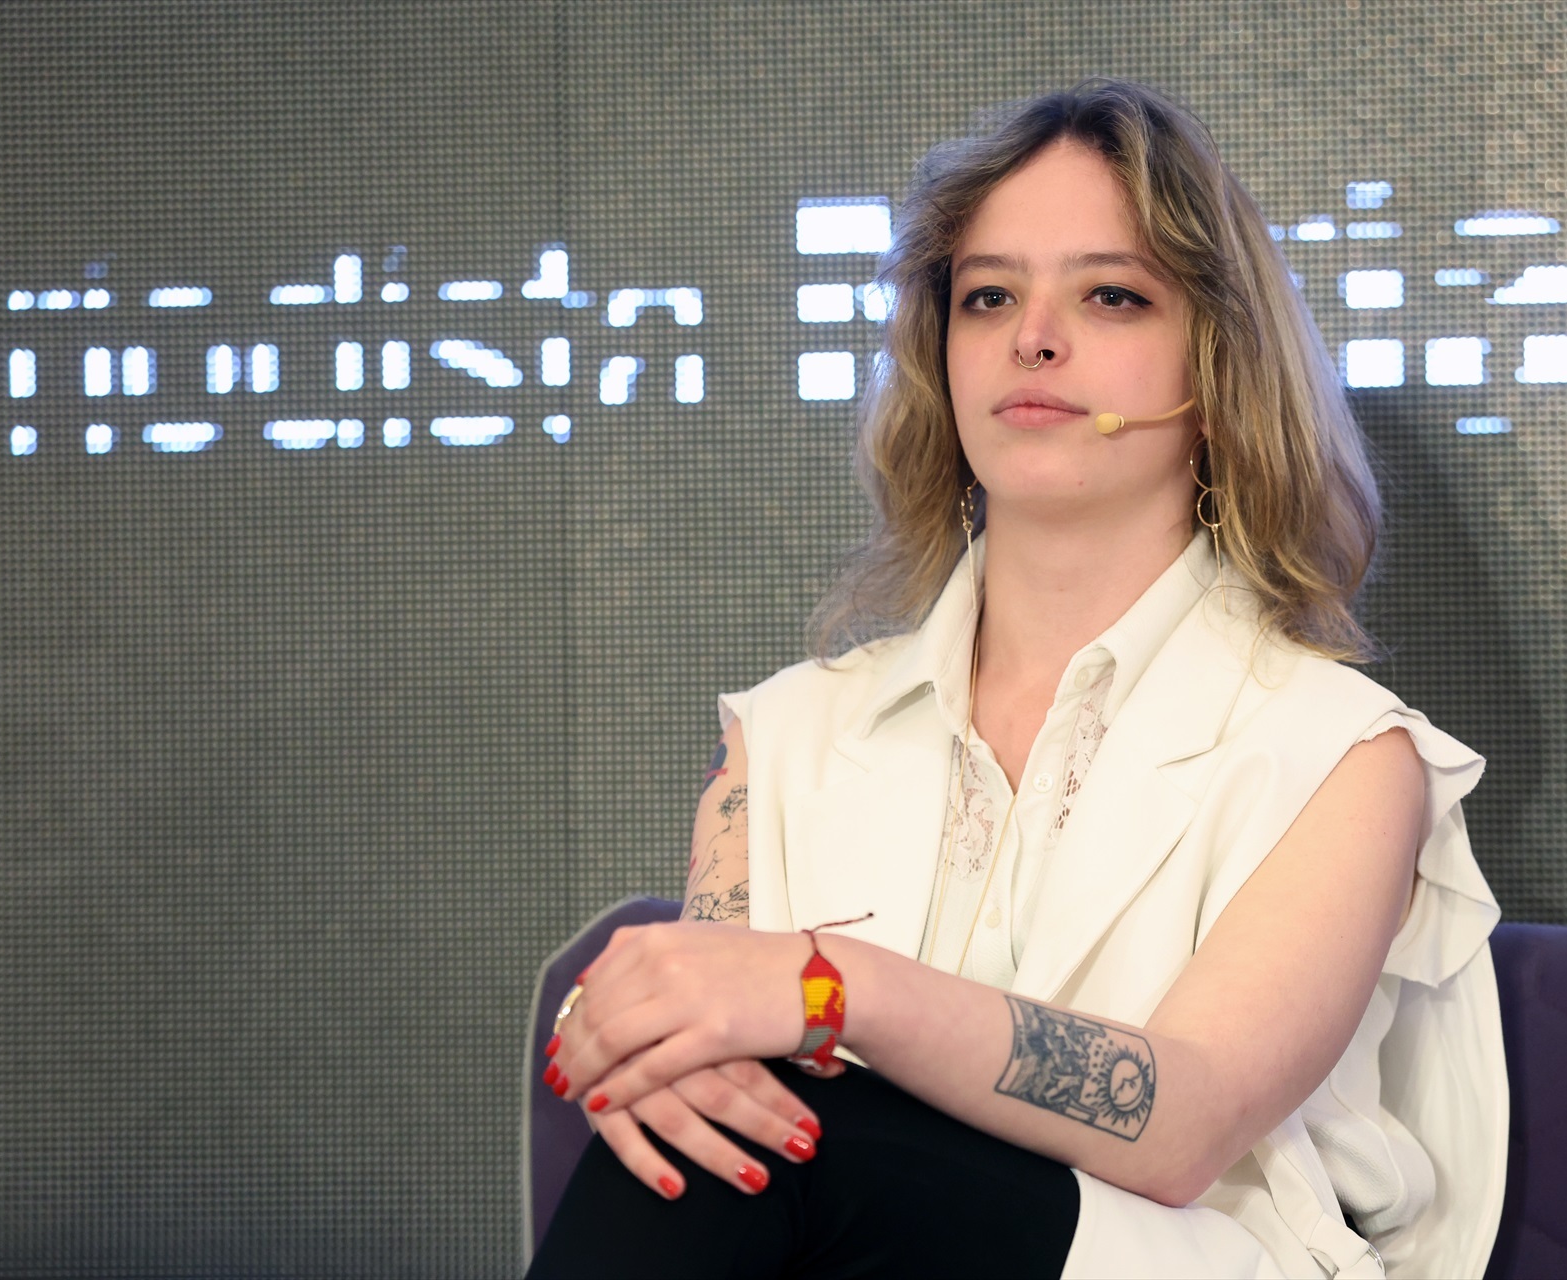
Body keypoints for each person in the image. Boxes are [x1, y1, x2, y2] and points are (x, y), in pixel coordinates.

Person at [529, 78, 1506, 1279]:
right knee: (728, 1134)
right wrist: (629, 1036)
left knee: (799, 1130)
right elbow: (709, 1070)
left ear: (1218, 368)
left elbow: (1185, 1119)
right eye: (988, 295)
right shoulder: (783, 738)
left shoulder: (1343, 752)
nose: (1031, 337)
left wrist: (833, 989)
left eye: (1110, 295)